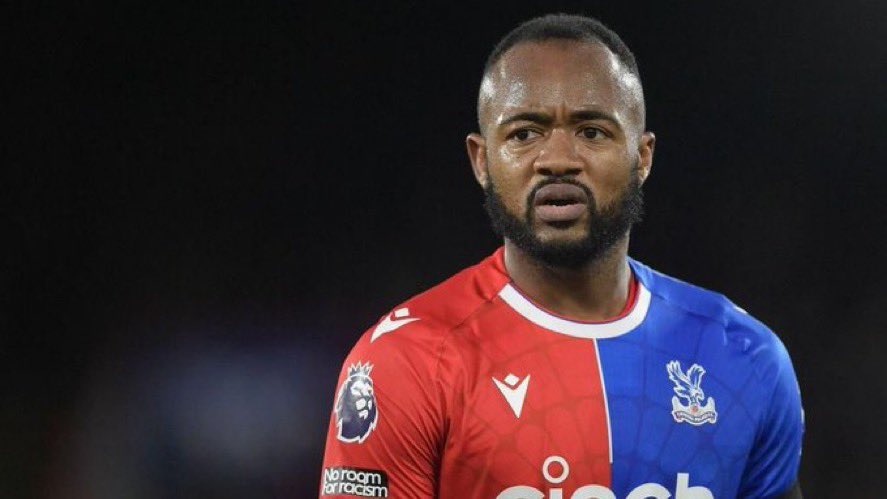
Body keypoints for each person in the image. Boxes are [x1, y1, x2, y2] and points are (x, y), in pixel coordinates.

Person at [320, 13, 803, 499]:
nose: (557, 160)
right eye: (524, 134)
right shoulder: (406, 363)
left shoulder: (745, 358)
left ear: (643, 157)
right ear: (482, 161)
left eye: (591, 131)